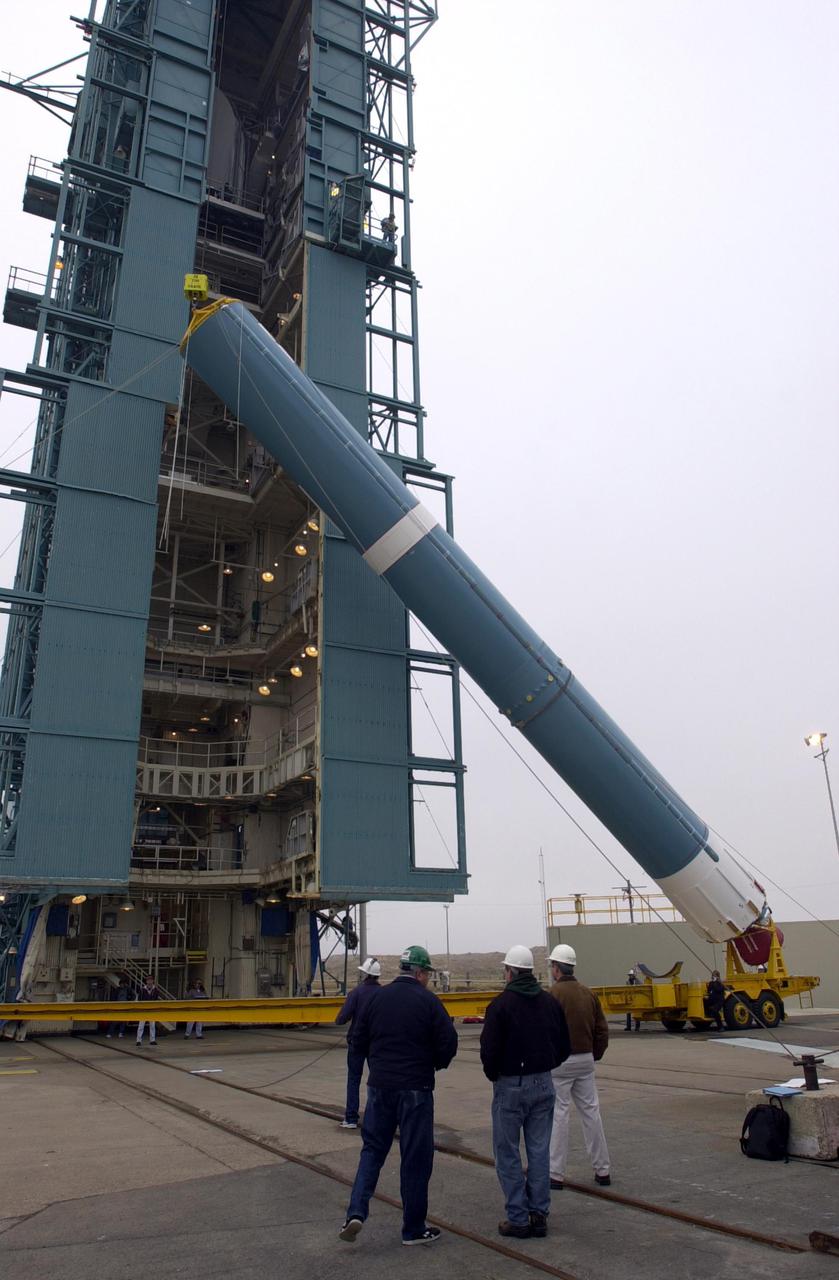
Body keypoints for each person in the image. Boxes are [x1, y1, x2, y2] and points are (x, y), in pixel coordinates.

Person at [338, 944, 457, 1247]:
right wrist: (433, 1064)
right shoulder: (429, 1002)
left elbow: (358, 1039)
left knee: (372, 1151)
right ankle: (414, 1229)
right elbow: (448, 1042)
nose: (428, 979)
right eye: (427, 974)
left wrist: (378, 1065)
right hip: (416, 1089)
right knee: (415, 1158)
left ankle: (356, 1211)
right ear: (419, 973)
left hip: (380, 1088)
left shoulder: (377, 998)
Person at [479, 945, 570, 1240]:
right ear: (530, 971)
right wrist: (545, 1066)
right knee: (539, 1151)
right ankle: (539, 1215)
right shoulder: (549, 1002)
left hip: (510, 1085)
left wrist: (497, 1075)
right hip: (544, 1082)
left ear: (510, 972)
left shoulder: (500, 1006)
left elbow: (489, 1051)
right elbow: (564, 1044)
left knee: (507, 1153)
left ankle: (518, 1218)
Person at [548, 944, 611, 1189]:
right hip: (585, 1059)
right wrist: (593, 1055)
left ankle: (555, 1174)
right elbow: (602, 1030)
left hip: (560, 1063)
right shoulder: (588, 993)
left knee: (559, 1116)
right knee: (591, 1113)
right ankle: (602, 1170)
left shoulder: (553, 995)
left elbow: (547, 1031)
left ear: (556, 968)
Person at [335, 957, 381, 1128]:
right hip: (376, 1043)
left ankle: (351, 1118)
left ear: (365, 974)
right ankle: (376, 1118)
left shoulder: (356, 993)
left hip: (357, 1043)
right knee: (376, 1081)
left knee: (354, 1079)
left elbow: (341, 1018)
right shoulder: (383, 993)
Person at [136, 974, 161, 1046]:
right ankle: (138, 1040)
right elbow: (139, 999)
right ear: (146, 981)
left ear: (153, 981)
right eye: (148, 980)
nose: (149, 981)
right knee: (141, 1025)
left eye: (151, 980)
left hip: (152, 1010)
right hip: (143, 1010)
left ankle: (152, 1040)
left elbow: (156, 999)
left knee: (152, 1025)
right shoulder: (142, 989)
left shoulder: (155, 990)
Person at [625, 967, 641, 1032]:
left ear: (634, 975)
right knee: (628, 1013)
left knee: (637, 1014)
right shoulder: (627, 981)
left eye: (631, 975)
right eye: (630, 975)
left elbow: (642, 987)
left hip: (636, 999)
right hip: (630, 999)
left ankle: (637, 1027)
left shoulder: (638, 981)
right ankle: (628, 1027)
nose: (630, 976)